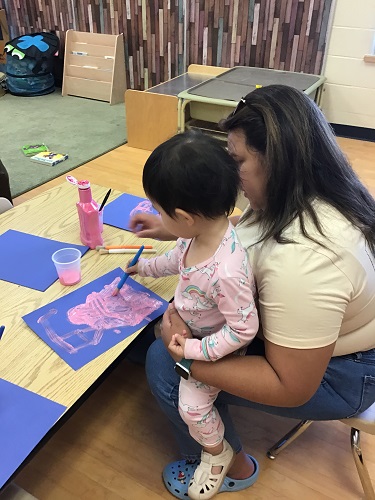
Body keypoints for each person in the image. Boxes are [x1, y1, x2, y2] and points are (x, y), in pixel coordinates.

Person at [129, 84, 375, 499]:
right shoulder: (303, 195)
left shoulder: (308, 260)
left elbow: (291, 385)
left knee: (162, 363)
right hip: (314, 345)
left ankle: (231, 466)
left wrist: (186, 358)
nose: (229, 173)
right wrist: (180, 228)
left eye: (237, 160)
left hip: (340, 374)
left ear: (276, 163)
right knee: (160, 338)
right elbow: (243, 228)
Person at [126, 131, 259, 499]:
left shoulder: (226, 270)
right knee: (155, 335)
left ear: (184, 217)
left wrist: (192, 353)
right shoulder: (198, 234)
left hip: (217, 348)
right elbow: (177, 260)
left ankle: (218, 455)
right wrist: (146, 268)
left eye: (159, 210)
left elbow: (244, 330)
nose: (156, 215)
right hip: (193, 328)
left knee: (191, 406)